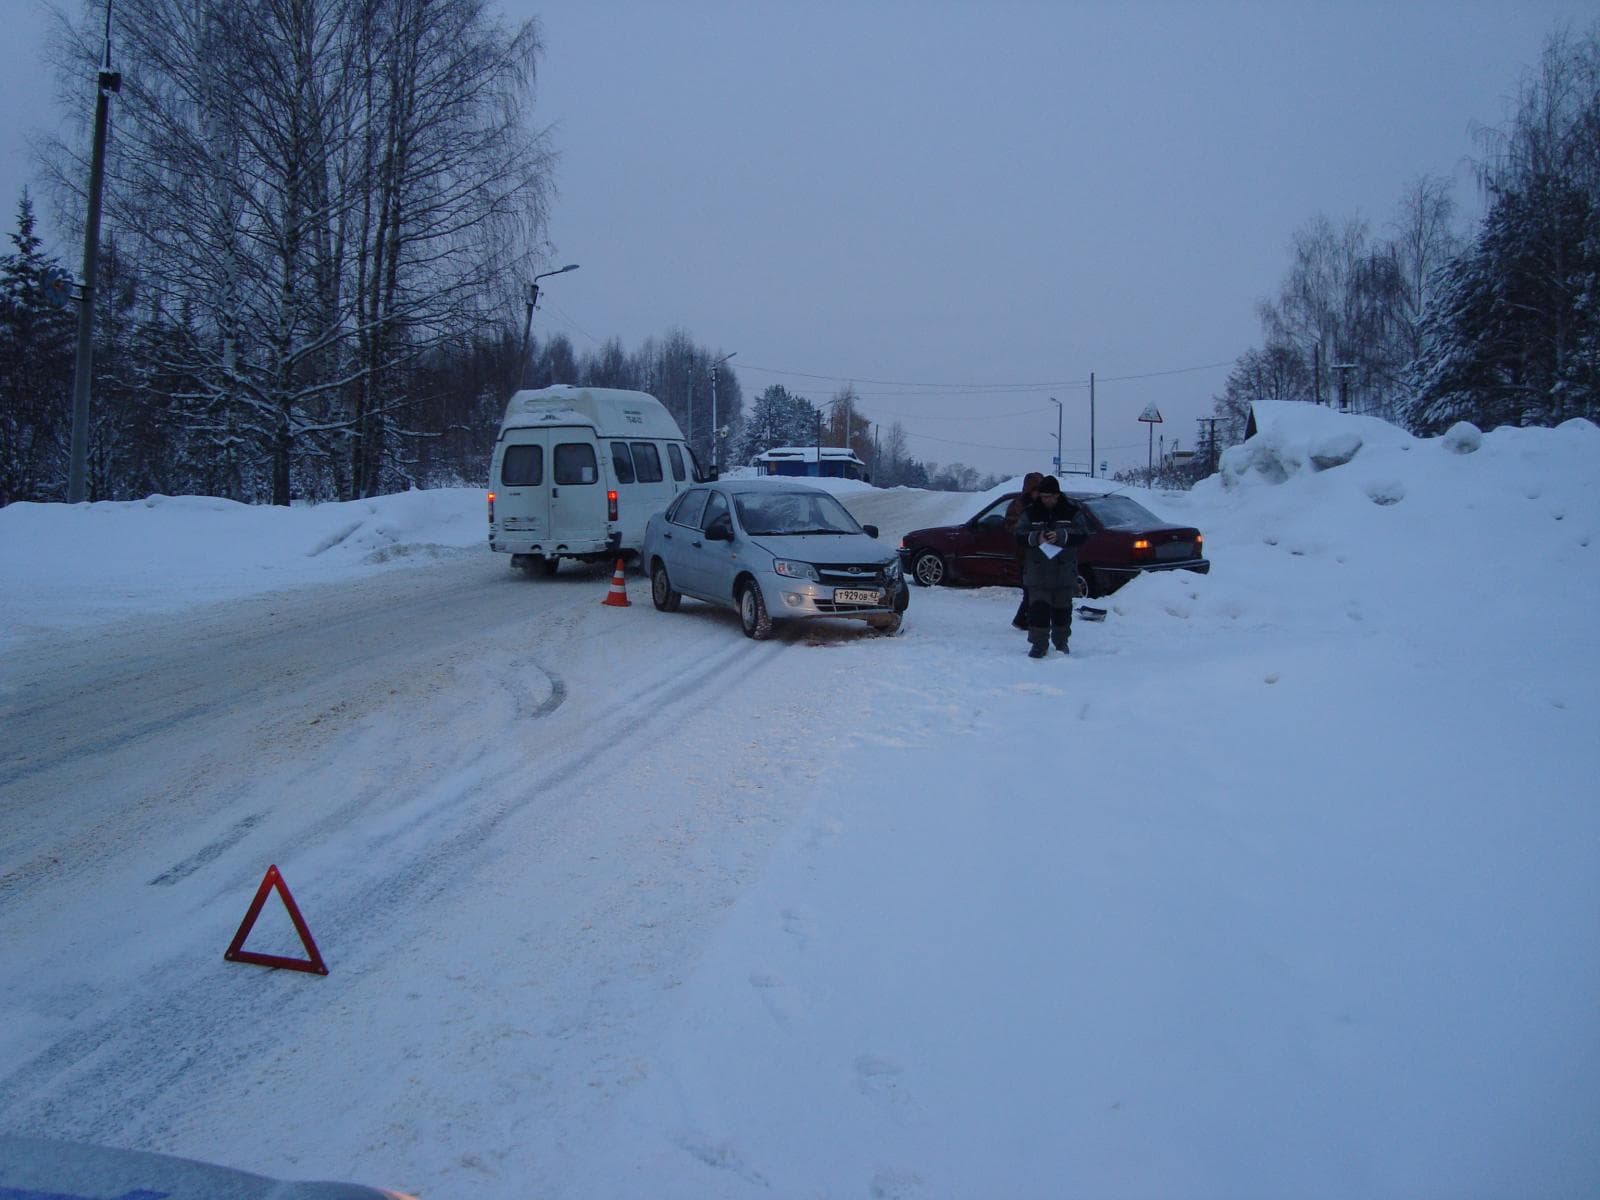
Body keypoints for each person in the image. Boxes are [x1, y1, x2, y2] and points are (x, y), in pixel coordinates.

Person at [1014, 475, 1087, 658]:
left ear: (1057, 495)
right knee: (1038, 611)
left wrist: (1062, 536)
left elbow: (1084, 534)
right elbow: (1018, 534)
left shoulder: (1071, 511)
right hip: (1037, 571)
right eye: (1044, 496)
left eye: (1050, 497)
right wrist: (1036, 537)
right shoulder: (1031, 512)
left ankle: (1061, 643)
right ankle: (1038, 645)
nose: (1046, 500)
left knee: (1063, 611)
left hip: (1063, 571)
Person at [1003, 472, 1044, 629]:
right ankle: (1023, 620)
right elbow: (1011, 527)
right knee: (1030, 590)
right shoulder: (1017, 506)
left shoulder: (1043, 505)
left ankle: (1026, 619)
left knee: (1036, 590)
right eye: (1036, 490)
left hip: (1041, 554)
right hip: (1024, 554)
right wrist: (1031, 532)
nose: (1039, 494)